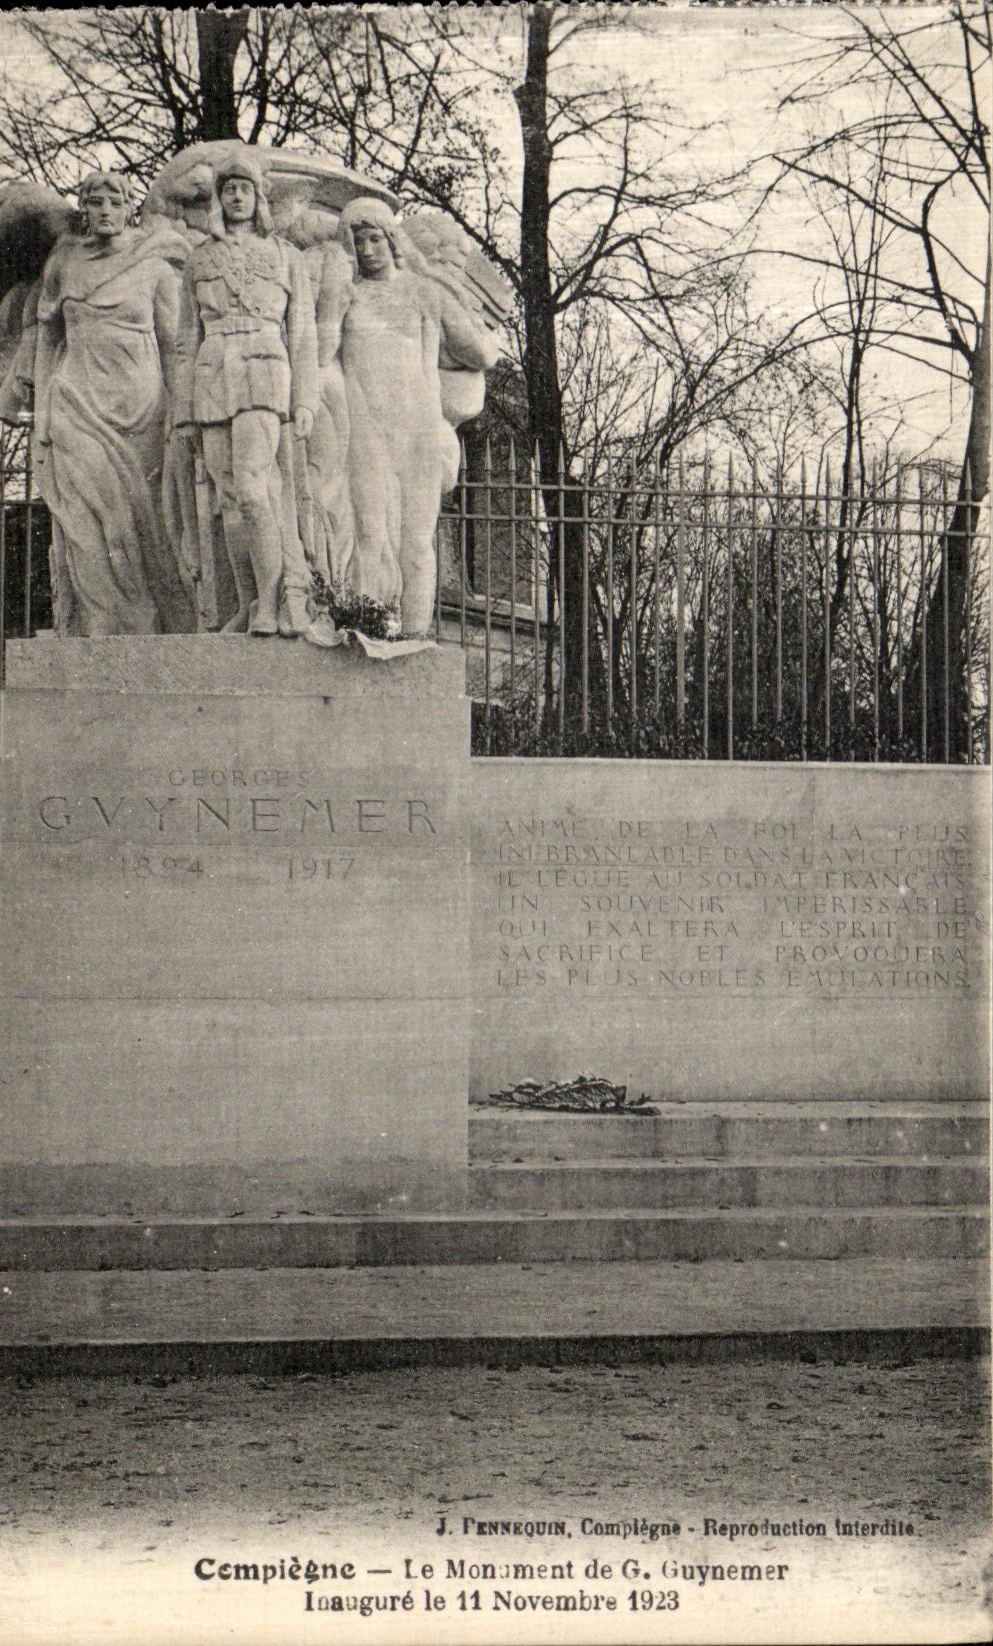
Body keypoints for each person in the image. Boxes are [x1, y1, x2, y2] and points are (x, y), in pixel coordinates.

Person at [316, 197, 498, 637]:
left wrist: (450, 368)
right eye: (358, 243)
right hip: (365, 432)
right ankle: (370, 628)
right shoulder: (348, 296)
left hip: (416, 430)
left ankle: (416, 635)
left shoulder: (424, 293)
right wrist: (333, 304)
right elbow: (321, 354)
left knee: (416, 540)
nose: (368, 251)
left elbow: (482, 352)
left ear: (392, 240)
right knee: (370, 536)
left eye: (375, 239)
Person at [33, 170, 195, 636]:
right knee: (83, 516)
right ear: (83, 208)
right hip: (75, 398)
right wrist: (43, 410)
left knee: (145, 521)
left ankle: (156, 623)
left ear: (130, 209)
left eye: (115, 202)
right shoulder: (63, 264)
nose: (105, 210)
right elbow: (48, 339)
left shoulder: (156, 267)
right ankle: (100, 622)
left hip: (142, 404)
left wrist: (179, 410)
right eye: (95, 202)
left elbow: (172, 346)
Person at [172, 152, 318, 636]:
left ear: (259, 198)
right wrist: (183, 413)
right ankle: (251, 601)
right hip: (213, 376)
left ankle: (277, 602)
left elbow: (303, 336)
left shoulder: (285, 257)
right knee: (229, 499)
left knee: (256, 491)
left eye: (245, 188)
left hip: (263, 373)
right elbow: (184, 340)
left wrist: (305, 401)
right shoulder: (199, 260)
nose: (236, 196)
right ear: (218, 198)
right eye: (228, 188)